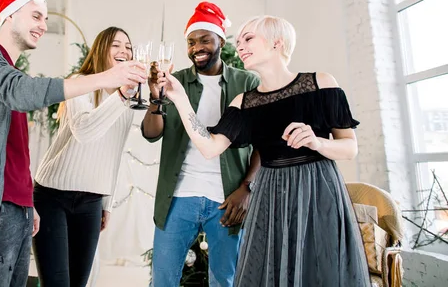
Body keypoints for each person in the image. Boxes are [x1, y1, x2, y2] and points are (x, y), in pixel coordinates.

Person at [0, 0, 146, 287]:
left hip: (20, 212)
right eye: (36, 16)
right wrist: (107, 79)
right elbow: (22, 93)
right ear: (10, 15)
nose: (43, 25)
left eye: (45, 19)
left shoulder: (12, 72)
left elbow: (17, 154)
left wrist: (27, 204)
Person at [158, 15, 371, 286]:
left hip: (317, 192)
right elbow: (210, 147)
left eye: (248, 38)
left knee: (321, 271)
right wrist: (179, 98)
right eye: (239, 41)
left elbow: (350, 147)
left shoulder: (321, 83)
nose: (240, 46)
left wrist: (318, 142)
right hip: (270, 196)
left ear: (277, 43)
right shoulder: (245, 102)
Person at [142, 2, 261, 287]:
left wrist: (247, 188)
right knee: (163, 280)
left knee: (225, 281)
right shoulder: (176, 81)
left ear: (220, 40)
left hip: (227, 199)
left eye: (205, 39)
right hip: (178, 197)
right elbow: (151, 133)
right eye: (191, 41)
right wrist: (157, 98)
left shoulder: (247, 82)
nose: (197, 47)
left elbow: (262, 142)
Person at [32, 26, 138, 286]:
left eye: (128, 46)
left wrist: (107, 204)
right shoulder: (80, 81)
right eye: (116, 44)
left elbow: (114, 155)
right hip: (51, 195)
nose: (124, 50)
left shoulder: (128, 101)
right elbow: (84, 131)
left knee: (78, 283)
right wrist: (122, 96)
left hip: (91, 202)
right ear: (101, 49)